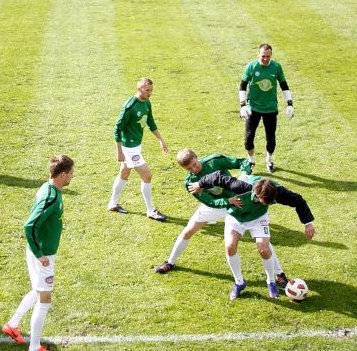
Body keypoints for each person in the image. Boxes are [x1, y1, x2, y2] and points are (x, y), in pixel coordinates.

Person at [154, 148, 286, 283]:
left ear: (196, 156)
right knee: (188, 230)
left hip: (239, 203)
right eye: (189, 168)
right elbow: (209, 202)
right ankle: (170, 262)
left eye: (195, 164)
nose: (194, 169)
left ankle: (279, 274)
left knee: (261, 238)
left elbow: (243, 162)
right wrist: (228, 201)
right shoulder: (190, 182)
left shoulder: (214, 161)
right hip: (218, 205)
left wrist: (244, 176)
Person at [188, 172, 315, 299]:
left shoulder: (278, 191)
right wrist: (200, 184)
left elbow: (298, 200)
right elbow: (217, 176)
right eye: (263, 201)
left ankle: (271, 281)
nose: (265, 204)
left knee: (264, 249)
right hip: (236, 217)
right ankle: (239, 283)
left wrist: (308, 223)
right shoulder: (241, 186)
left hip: (258, 219)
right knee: (230, 247)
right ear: (256, 193)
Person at [3, 155, 74, 351]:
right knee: (45, 300)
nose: (72, 178)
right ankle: (34, 347)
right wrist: (39, 254)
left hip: (41, 250)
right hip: (43, 254)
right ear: (62, 174)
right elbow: (30, 225)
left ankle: (12, 324)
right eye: (71, 174)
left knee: (38, 290)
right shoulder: (50, 197)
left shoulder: (49, 188)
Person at [108, 77, 168, 221]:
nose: (150, 93)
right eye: (147, 90)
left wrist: (161, 140)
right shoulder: (130, 106)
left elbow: (151, 122)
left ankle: (112, 203)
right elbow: (117, 128)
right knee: (147, 176)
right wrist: (119, 151)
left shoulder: (147, 102)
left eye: (151, 90)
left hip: (136, 146)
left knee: (124, 173)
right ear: (139, 89)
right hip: (129, 149)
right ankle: (151, 210)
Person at [239, 44, 294, 173]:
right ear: (258, 54)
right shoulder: (251, 67)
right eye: (263, 56)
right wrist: (242, 105)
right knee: (248, 137)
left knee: (271, 137)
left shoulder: (276, 67)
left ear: (271, 55)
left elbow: (284, 85)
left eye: (267, 56)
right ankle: (251, 160)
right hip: (253, 108)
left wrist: (290, 103)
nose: (265, 59)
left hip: (270, 109)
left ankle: (269, 160)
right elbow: (242, 86)